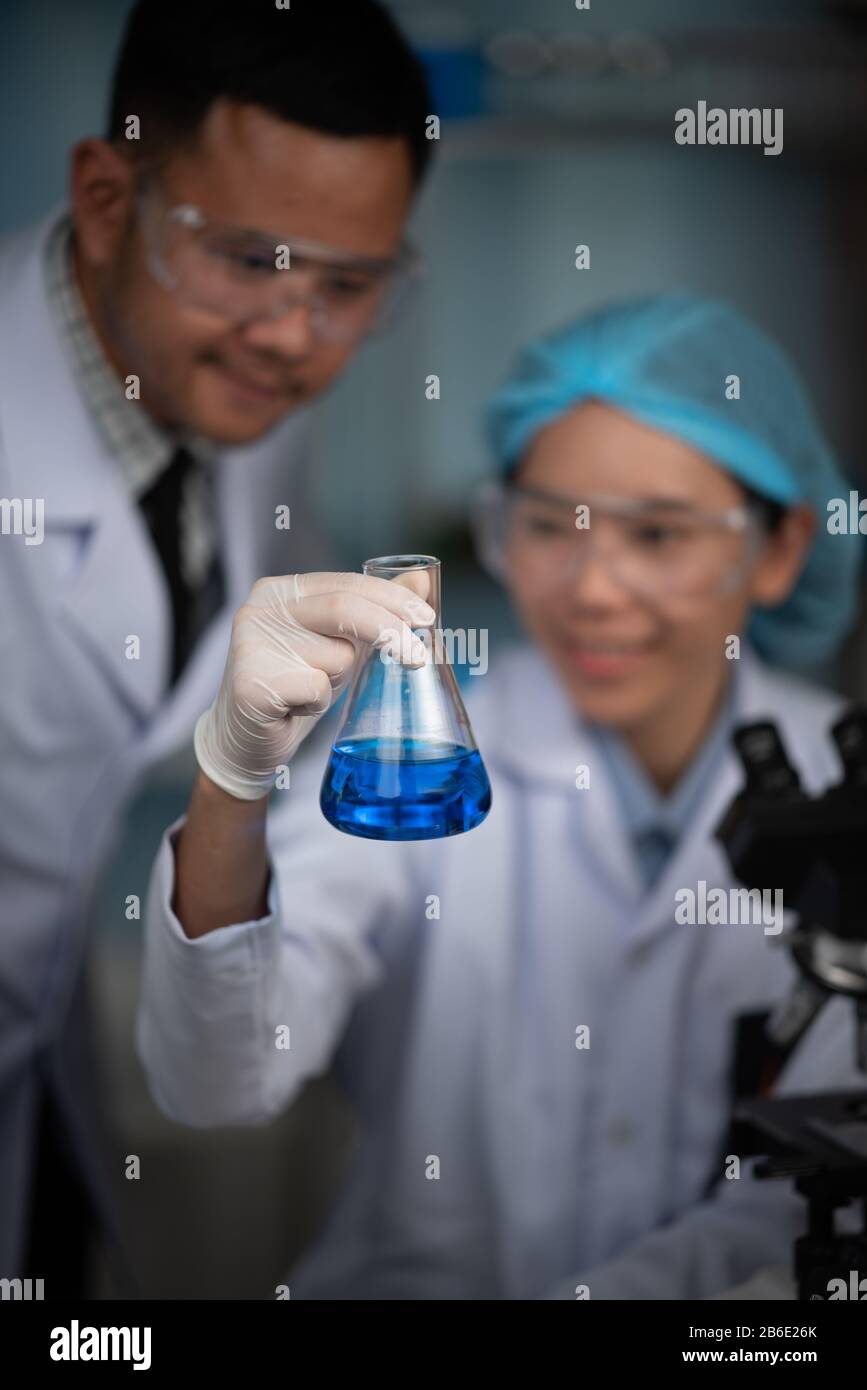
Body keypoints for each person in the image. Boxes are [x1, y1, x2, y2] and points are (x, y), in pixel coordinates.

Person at [137, 294, 864, 1300]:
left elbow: (809, 1202)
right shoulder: (414, 768)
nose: (593, 589)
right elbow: (217, 1077)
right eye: (546, 526)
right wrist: (232, 772)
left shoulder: (842, 782)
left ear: (778, 549)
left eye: (657, 535)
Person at [0, 0, 432, 1292]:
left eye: (346, 286)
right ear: (103, 193)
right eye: (249, 261)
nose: (295, 338)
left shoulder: (238, 401)